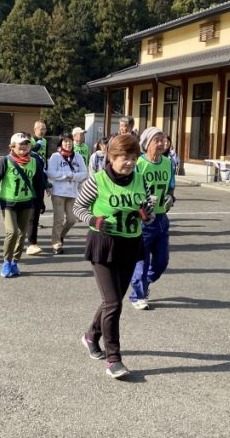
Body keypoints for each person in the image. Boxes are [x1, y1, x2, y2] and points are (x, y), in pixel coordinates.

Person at [73, 134, 155, 379]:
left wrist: (146, 214)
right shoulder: (97, 180)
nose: (129, 162)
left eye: (133, 157)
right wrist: (95, 220)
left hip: (131, 244)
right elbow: (78, 207)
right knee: (114, 303)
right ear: (111, 157)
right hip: (104, 245)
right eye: (123, 157)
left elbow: (147, 212)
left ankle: (91, 336)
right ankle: (113, 359)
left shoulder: (140, 179)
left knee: (113, 300)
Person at [129, 127, 176, 310]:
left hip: (162, 218)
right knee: (142, 261)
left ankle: (144, 283)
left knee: (161, 262)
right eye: (157, 140)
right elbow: (130, 188)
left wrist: (170, 197)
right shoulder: (139, 163)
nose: (162, 143)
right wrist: (142, 202)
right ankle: (138, 295)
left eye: (163, 140)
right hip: (143, 218)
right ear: (147, 143)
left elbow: (171, 186)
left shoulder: (168, 163)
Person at [0, 133, 45, 278]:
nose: (24, 146)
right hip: (9, 202)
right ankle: (6, 261)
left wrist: (41, 201)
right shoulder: (5, 161)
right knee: (12, 232)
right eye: (21, 144)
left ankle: (15, 262)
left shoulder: (34, 162)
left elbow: (38, 182)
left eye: (26, 144)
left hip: (26, 202)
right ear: (12, 146)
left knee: (22, 233)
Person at [46, 132, 87, 254]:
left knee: (72, 219)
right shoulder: (55, 156)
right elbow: (50, 173)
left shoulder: (78, 157)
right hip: (58, 193)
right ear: (61, 143)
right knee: (58, 220)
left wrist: (73, 176)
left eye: (70, 141)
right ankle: (56, 244)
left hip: (72, 193)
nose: (68, 144)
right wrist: (66, 175)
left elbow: (84, 174)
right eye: (65, 141)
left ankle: (61, 236)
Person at [27, 120, 49, 255]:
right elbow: (30, 151)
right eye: (40, 129)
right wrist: (37, 145)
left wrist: (46, 169)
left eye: (44, 129)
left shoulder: (45, 141)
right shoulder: (30, 140)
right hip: (30, 172)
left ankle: (32, 239)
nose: (43, 131)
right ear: (35, 129)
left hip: (42, 170)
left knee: (39, 201)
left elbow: (45, 155)